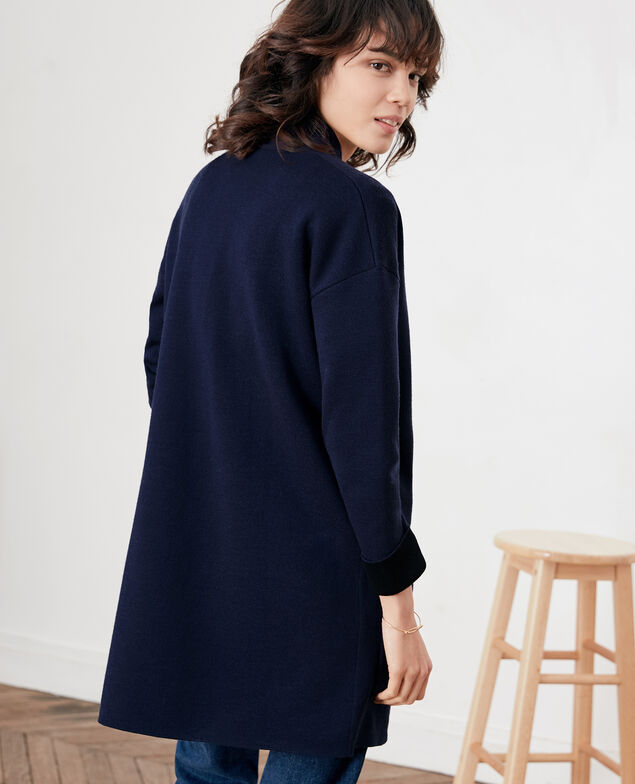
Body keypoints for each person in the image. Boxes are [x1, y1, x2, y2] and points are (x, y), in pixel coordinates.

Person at [97, 0, 445, 782]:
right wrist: (398, 612)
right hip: (321, 564)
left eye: (416, 77)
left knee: (207, 761)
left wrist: (230, 460)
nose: (401, 96)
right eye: (380, 64)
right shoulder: (354, 205)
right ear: (314, 57)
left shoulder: (212, 186)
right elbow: (364, 427)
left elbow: (163, 358)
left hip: (203, 543)